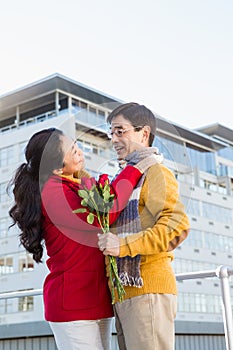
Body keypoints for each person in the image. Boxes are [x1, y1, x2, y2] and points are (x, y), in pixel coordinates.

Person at [8, 127, 158, 350]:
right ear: (57, 167)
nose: (79, 151)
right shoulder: (54, 192)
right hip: (73, 304)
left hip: (95, 298)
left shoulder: (74, 185)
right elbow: (106, 210)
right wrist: (136, 168)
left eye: (76, 145)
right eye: (71, 150)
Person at [98, 103, 190, 350]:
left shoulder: (156, 173)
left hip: (147, 289)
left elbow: (176, 228)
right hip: (125, 293)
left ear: (144, 133)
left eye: (121, 131)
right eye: (111, 133)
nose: (114, 139)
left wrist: (123, 244)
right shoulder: (128, 178)